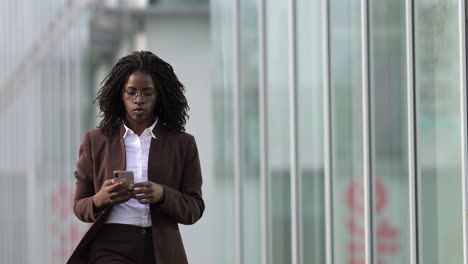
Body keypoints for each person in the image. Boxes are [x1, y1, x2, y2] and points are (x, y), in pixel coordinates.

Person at [67, 51, 204, 264]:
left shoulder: (182, 143)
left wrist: (163, 195)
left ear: (159, 95)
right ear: (120, 94)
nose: (139, 100)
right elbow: (79, 205)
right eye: (131, 92)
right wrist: (100, 198)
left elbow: (194, 208)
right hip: (110, 246)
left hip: (161, 250)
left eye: (147, 93)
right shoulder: (95, 141)